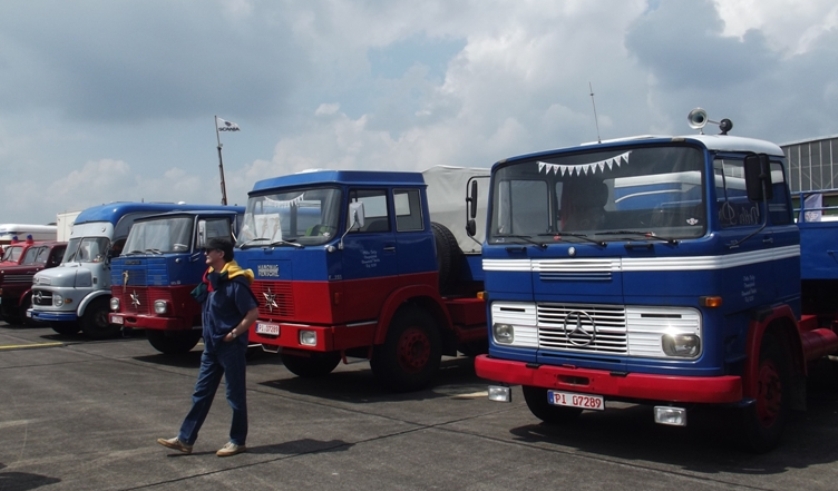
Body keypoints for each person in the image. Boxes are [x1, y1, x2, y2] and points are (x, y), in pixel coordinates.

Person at [157, 237, 259, 457]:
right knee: (201, 393)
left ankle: (237, 441)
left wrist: (233, 334)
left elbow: (252, 313)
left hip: (230, 346)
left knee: (235, 395)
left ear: (220, 254)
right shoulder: (212, 279)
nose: (205, 254)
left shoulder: (235, 281)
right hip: (211, 346)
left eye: (209, 250)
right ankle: (185, 439)